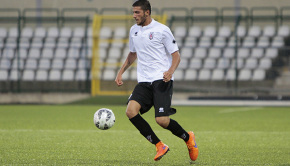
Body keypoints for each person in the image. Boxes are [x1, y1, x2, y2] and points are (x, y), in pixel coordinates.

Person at [115, 0, 198, 161]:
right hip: (144, 81)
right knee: (130, 112)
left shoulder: (162, 30)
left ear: (147, 12)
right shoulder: (134, 30)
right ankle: (160, 145)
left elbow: (176, 55)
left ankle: (188, 138)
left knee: (161, 120)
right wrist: (121, 72)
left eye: (137, 12)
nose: (134, 16)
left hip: (161, 80)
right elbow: (132, 54)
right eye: (133, 12)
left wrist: (170, 71)